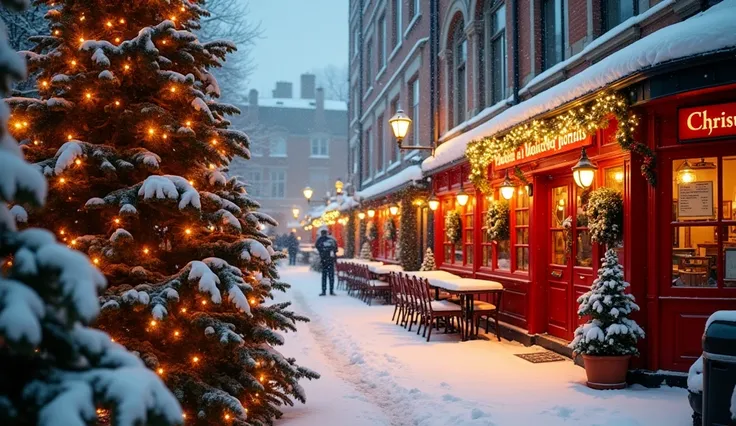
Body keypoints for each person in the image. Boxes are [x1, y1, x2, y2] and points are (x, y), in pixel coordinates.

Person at [315, 229, 338, 296]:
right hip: (330, 260)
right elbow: (336, 248)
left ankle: (324, 291)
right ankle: (331, 291)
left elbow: (317, 246)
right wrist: (332, 253)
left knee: (324, 276)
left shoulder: (320, 240)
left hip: (324, 260)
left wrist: (322, 252)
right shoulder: (331, 240)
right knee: (331, 276)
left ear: (321, 233)